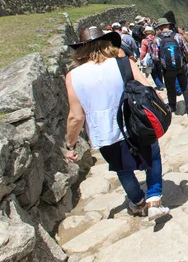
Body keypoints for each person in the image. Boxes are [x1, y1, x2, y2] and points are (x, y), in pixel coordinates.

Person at [64, 26, 170, 221]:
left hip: (104, 131)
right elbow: (146, 88)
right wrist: (162, 106)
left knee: (122, 169)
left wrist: (70, 144)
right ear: (107, 44)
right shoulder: (123, 63)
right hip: (134, 122)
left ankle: (138, 202)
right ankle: (154, 200)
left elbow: (76, 116)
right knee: (152, 158)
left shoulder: (73, 77)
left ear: (81, 50)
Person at [152, 18, 188, 119]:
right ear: (168, 26)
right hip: (181, 67)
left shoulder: (157, 40)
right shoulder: (177, 36)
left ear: (159, 27)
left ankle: (172, 106)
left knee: (170, 87)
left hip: (167, 69)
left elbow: (155, 57)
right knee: (185, 88)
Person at [140, 26, 164, 91]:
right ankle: (161, 83)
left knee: (153, 72)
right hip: (158, 57)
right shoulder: (157, 39)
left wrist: (141, 59)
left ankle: (159, 85)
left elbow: (143, 52)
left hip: (150, 58)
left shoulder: (144, 41)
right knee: (159, 71)